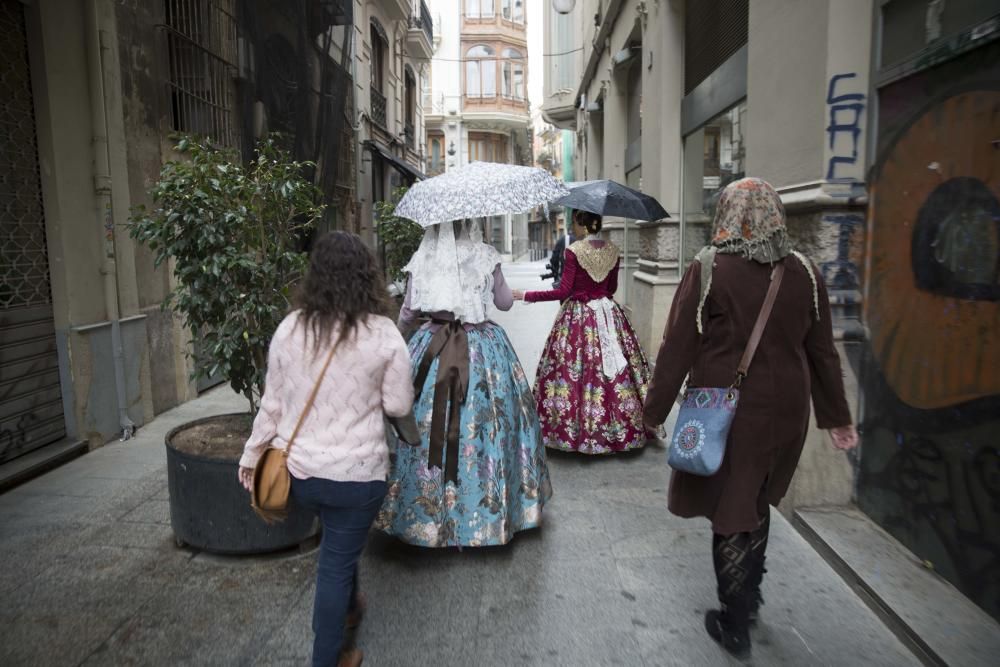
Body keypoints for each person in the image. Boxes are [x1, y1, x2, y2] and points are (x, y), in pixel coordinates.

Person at [641, 178, 859, 660]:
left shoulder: (710, 267)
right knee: (756, 501)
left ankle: (734, 621)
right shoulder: (805, 271)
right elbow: (823, 354)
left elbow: (678, 346)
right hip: (787, 414)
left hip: (730, 412)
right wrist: (837, 418)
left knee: (730, 508)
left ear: (727, 213)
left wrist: (652, 413)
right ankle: (750, 596)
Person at [238, 232, 415, 667]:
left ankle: (351, 607)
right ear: (367, 276)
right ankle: (328, 659)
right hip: (358, 478)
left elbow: (273, 405)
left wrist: (250, 456)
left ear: (315, 275)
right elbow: (398, 405)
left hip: (301, 475)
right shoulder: (383, 333)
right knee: (334, 564)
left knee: (339, 545)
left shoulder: (290, 328)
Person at [376, 219, 552, 547]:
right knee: (490, 425)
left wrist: (401, 337)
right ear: (469, 223)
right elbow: (504, 303)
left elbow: (408, 312)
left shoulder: (422, 257)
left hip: (431, 344)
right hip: (482, 348)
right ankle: (488, 513)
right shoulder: (485, 255)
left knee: (424, 423)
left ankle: (423, 514)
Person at [513, 210, 655, 454]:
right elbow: (611, 288)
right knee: (616, 370)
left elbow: (563, 291)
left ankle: (571, 431)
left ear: (582, 223)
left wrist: (527, 295)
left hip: (578, 318)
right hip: (608, 315)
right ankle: (620, 430)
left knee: (572, 370)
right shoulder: (612, 250)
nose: (573, 227)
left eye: (574, 222)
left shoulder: (574, 251)